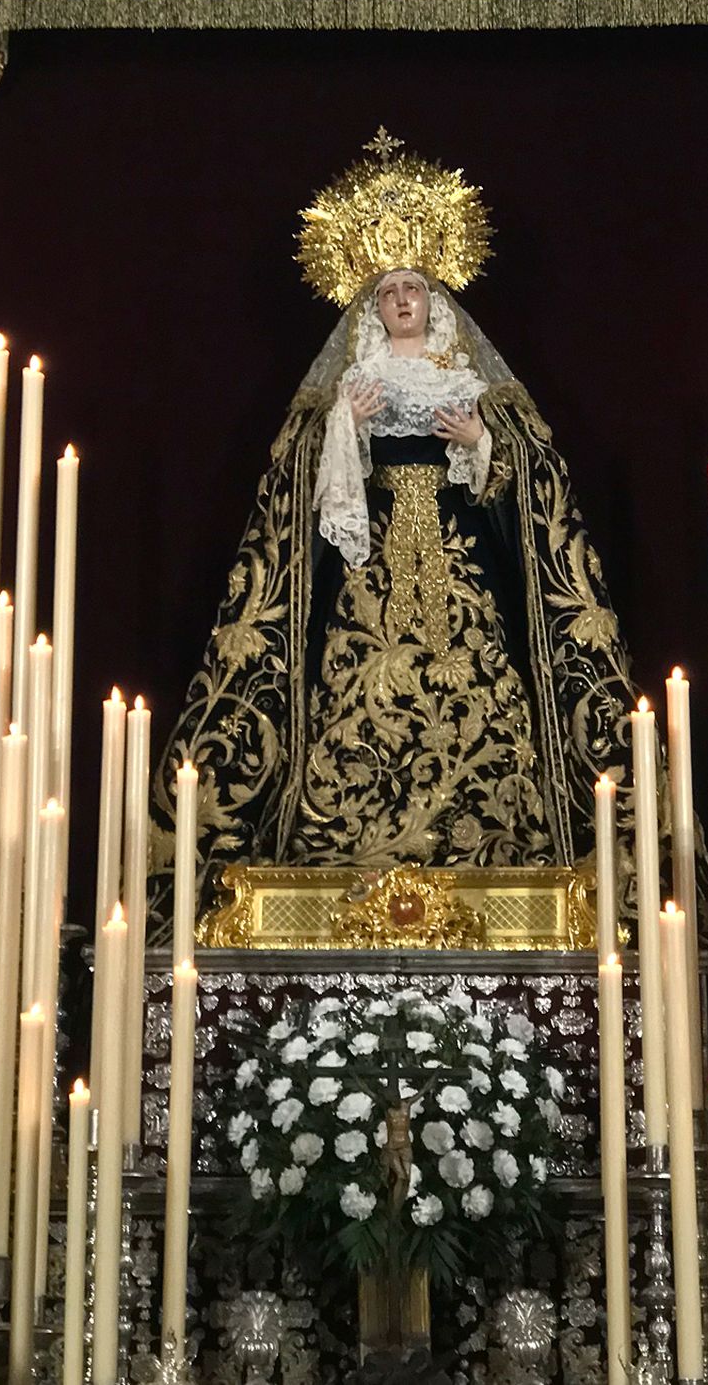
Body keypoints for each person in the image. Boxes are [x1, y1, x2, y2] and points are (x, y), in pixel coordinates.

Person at [158, 136, 631, 874]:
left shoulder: (473, 381)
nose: (403, 298)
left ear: (436, 298)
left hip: (460, 561)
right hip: (369, 566)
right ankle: (348, 835)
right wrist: (344, 426)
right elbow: (298, 493)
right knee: (354, 689)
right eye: (387, 290)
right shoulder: (347, 385)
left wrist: (481, 442)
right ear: (371, 307)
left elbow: (536, 486)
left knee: (481, 685)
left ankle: (495, 838)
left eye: (414, 286)